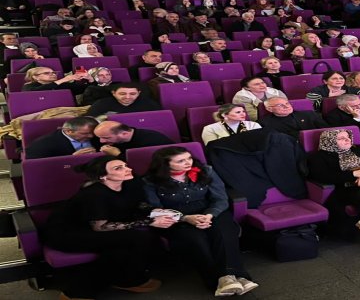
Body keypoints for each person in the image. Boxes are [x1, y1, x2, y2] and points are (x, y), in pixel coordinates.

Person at [43, 156, 171, 299]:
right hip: (68, 232)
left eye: (125, 165)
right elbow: (100, 227)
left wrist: (157, 211)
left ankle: (125, 280)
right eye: (118, 168)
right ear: (103, 176)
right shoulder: (94, 194)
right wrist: (148, 222)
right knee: (139, 238)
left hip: (93, 227)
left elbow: (135, 204)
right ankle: (78, 292)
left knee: (121, 249)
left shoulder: (128, 183)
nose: (128, 169)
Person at [143, 147, 258, 296]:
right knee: (197, 239)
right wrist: (185, 218)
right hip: (176, 217)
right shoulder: (150, 181)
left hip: (209, 210)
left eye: (189, 158)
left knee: (223, 232)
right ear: (165, 165)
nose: (188, 163)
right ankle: (219, 280)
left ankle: (229, 277)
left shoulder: (206, 170)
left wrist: (209, 215)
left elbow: (220, 198)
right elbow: (155, 209)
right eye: (180, 161)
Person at [24, 117, 101, 160]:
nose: (91, 136)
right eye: (85, 134)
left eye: (93, 132)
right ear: (68, 131)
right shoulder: (42, 146)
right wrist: (71, 159)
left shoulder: (99, 135)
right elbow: (39, 168)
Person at [92, 121, 175, 159]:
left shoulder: (151, 140)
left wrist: (117, 154)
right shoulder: (113, 138)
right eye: (100, 137)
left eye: (106, 138)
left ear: (124, 134)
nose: (101, 141)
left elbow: (142, 164)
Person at [87, 84, 162, 117]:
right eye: (122, 94)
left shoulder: (149, 104)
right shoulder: (101, 104)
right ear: (114, 93)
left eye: (132, 94)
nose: (128, 97)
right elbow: (90, 120)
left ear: (138, 93)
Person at [23, 66, 89, 94]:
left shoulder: (62, 84)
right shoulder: (28, 86)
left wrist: (90, 80)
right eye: (46, 73)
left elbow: (85, 89)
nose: (53, 74)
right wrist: (63, 80)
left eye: (53, 72)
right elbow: (35, 92)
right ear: (35, 77)